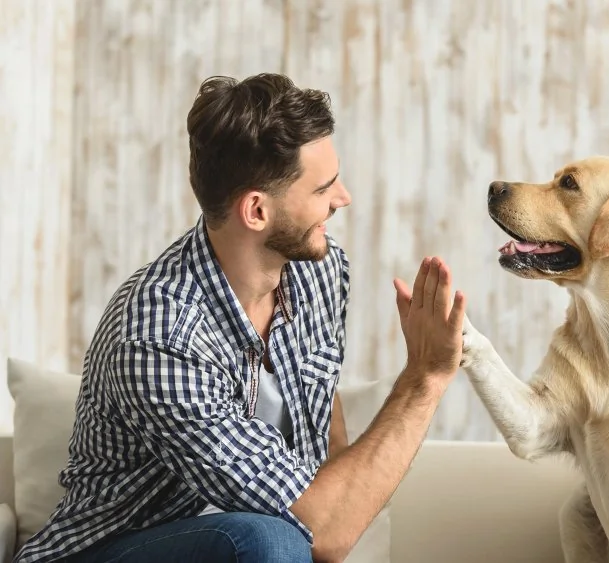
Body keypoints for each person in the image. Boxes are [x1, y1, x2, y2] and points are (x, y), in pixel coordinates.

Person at [14, 73, 467, 563]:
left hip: (269, 547)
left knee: (276, 538)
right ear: (256, 210)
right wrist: (424, 378)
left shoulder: (319, 270)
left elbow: (324, 423)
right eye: (324, 188)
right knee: (265, 538)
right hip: (112, 550)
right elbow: (324, 531)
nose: (344, 199)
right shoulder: (157, 334)